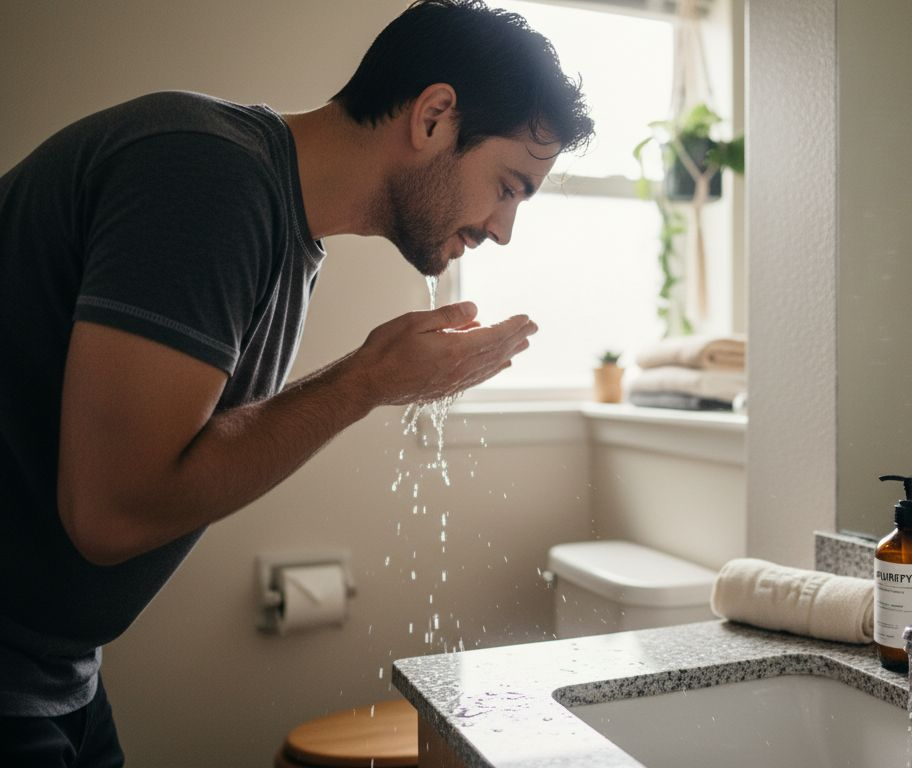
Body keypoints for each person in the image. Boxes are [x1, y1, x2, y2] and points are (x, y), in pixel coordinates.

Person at [0, 1, 594, 763]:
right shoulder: (208, 178)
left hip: (56, 671)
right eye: (509, 186)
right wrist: (366, 381)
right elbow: (112, 514)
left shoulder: (275, 224)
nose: (504, 228)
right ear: (435, 116)